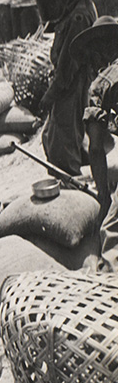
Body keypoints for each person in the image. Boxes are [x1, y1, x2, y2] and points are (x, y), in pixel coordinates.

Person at [40, 0, 100, 176]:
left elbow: (68, 65)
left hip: (72, 86)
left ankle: (74, 193)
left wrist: (49, 96)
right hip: (72, 84)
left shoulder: (79, 15)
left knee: (63, 147)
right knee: (62, 138)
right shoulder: (75, 8)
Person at [76, 16, 118, 272]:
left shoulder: (101, 85)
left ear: (101, 49)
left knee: (111, 230)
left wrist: (103, 195)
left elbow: (94, 148)